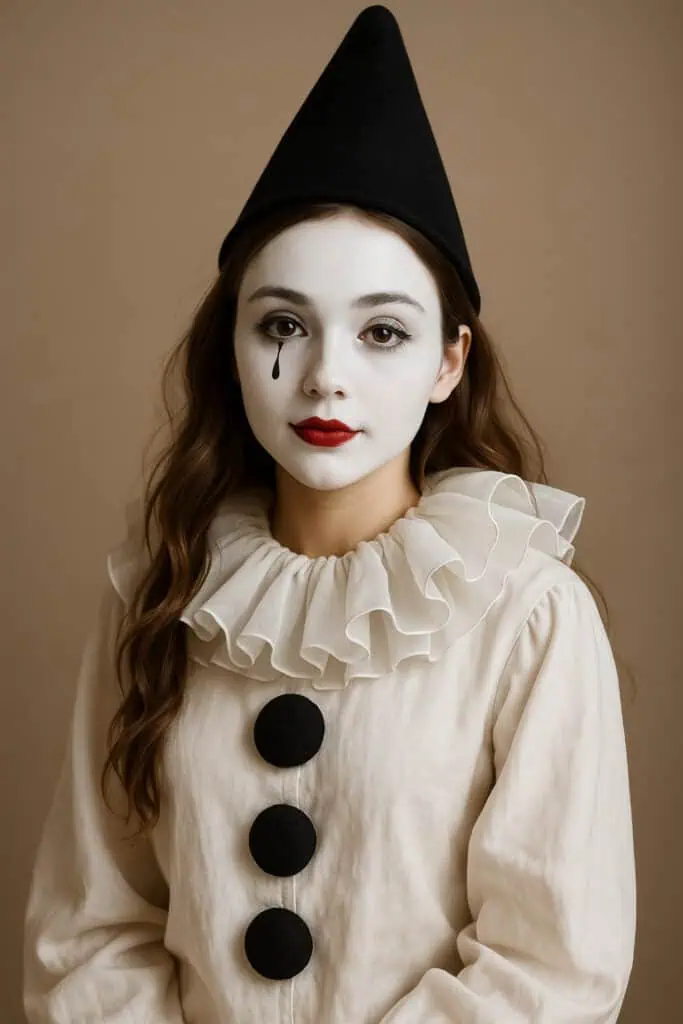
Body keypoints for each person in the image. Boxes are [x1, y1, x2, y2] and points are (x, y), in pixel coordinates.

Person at [22, 6, 636, 1022]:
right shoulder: (158, 593)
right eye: (282, 324)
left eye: (382, 332)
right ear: (233, 341)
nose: (323, 379)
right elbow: (88, 927)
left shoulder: (527, 615)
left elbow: (552, 967)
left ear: (449, 360)